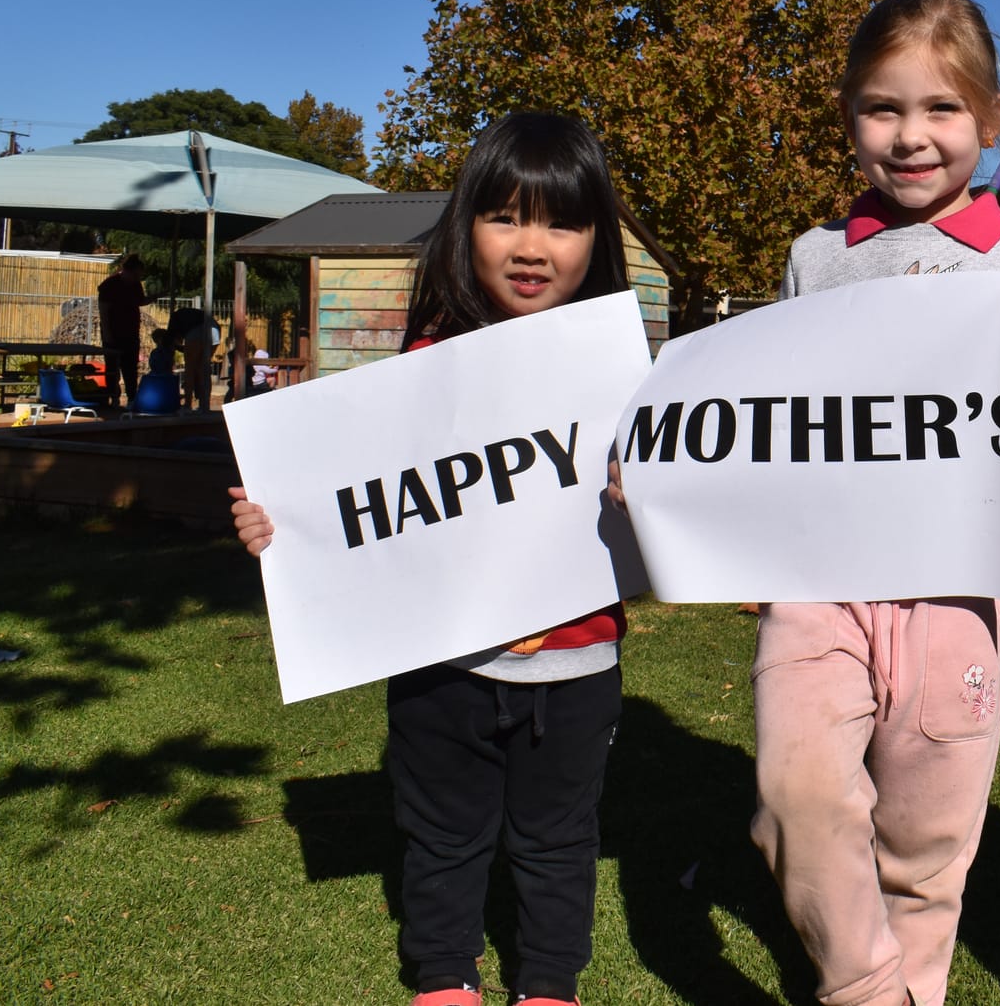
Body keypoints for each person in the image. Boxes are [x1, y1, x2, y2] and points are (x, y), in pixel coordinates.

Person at [744, 0, 1000, 1006]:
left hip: (956, 596)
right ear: (848, 117)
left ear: (989, 122)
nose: (910, 137)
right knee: (795, 790)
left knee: (925, 847)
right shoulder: (814, 258)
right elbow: (780, 421)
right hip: (821, 583)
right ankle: (865, 992)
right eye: (881, 108)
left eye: (940, 110)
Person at [229, 111, 633, 1006]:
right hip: (440, 665)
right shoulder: (420, 367)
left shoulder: (623, 380)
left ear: (597, 237)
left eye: (562, 221)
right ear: (464, 226)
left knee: (558, 835)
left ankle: (551, 982)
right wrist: (278, 526)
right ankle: (443, 973)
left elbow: (663, 510)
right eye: (505, 216)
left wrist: (642, 496)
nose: (532, 246)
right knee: (443, 830)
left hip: (576, 662)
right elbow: (344, 504)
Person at [95, 254, 147, 403]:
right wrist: (107, 334)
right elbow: (103, 310)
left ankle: (132, 399)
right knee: (112, 369)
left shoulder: (135, 284)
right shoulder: (110, 285)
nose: (138, 278)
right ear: (127, 271)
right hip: (113, 333)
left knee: (130, 369)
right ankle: (113, 398)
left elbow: (139, 301)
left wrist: (156, 296)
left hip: (131, 333)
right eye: (136, 274)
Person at [165, 304, 218, 411]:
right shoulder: (183, 318)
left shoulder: (174, 324)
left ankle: (188, 404)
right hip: (215, 329)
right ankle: (204, 403)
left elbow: (176, 342)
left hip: (198, 330)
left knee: (190, 370)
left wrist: (175, 348)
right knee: (202, 369)